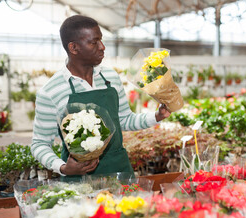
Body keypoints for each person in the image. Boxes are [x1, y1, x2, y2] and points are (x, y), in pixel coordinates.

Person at [31, 15, 171, 181]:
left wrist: (158, 115)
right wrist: (62, 167)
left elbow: (124, 120)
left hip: (119, 171)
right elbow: (39, 144)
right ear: (74, 47)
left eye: (101, 40)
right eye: (94, 42)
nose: (102, 47)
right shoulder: (51, 91)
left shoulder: (110, 77)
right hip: (79, 179)